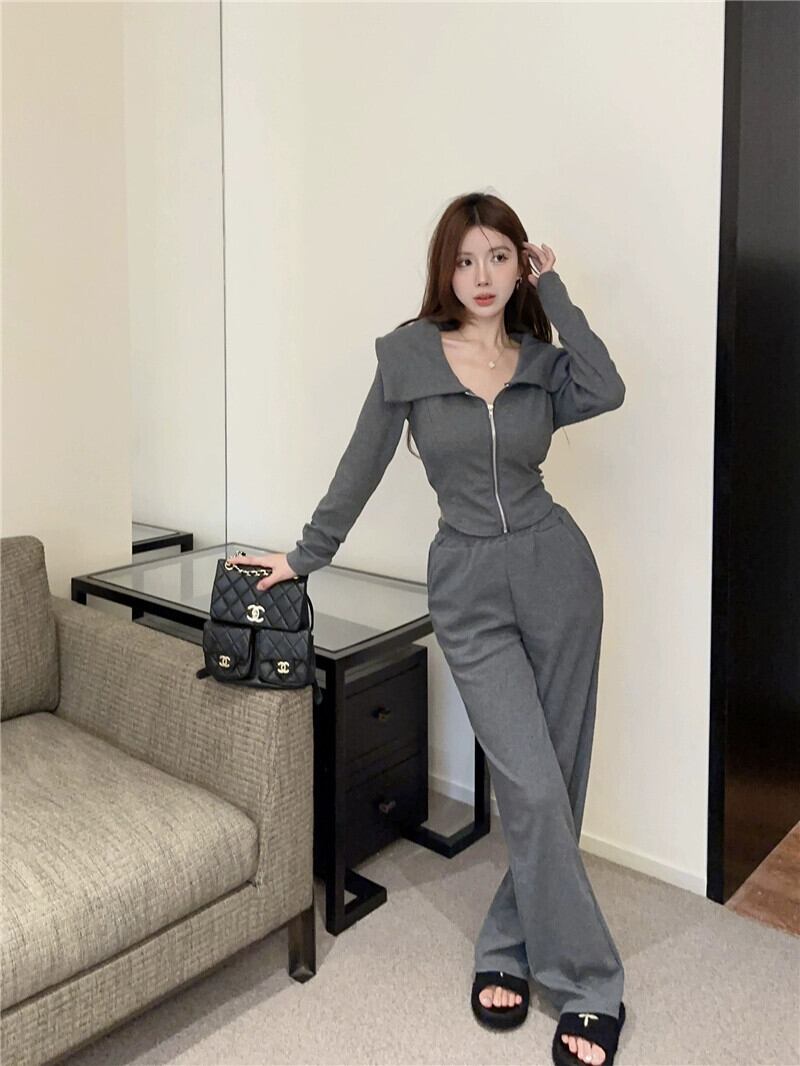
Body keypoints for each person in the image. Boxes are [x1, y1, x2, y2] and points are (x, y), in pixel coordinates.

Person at [230, 191, 628, 1066]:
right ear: (444, 270)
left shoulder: (542, 364)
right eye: (465, 259)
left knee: (557, 779)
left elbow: (608, 386)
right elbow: (361, 464)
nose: (481, 276)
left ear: (520, 266)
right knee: (530, 786)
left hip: (559, 574)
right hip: (469, 586)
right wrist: (305, 556)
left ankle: (507, 944)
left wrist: (557, 296)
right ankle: (593, 982)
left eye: (499, 257)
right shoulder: (408, 357)